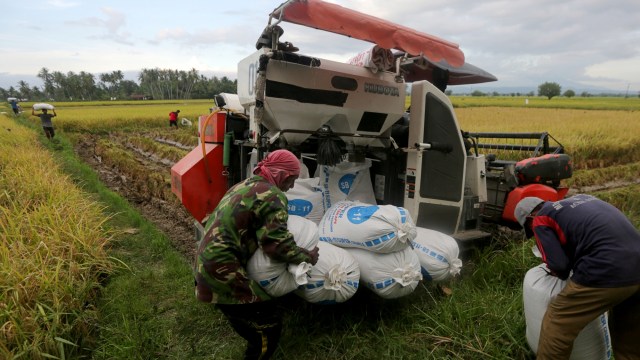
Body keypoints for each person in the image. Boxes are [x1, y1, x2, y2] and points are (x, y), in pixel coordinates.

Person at [195, 149, 319, 360]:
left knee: (258, 312)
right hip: (223, 271)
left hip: (206, 265)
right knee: (267, 325)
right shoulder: (272, 195)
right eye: (292, 179)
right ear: (281, 175)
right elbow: (276, 245)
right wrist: (307, 256)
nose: (292, 186)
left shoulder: (244, 185)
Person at [515, 194, 640, 359]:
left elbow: (560, 266)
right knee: (627, 334)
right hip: (637, 265)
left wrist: (554, 269)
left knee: (558, 320)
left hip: (606, 268)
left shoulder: (541, 218)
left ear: (530, 218)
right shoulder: (584, 199)